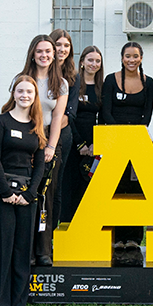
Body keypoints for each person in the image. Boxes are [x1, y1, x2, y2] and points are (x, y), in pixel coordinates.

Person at [0, 75, 47, 306]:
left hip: (26, 195)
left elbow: (40, 164)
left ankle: (19, 305)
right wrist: (6, 191)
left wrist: (30, 194)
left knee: (22, 251)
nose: (25, 95)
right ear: (13, 93)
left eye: (29, 92)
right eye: (20, 91)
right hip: (2, 193)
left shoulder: (37, 125)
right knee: (2, 251)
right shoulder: (0, 122)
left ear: (35, 96)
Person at [101, 42, 153, 252]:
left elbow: (147, 114)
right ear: (122, 58)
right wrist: (120, 136)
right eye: (127, 56)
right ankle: (117, 237)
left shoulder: (149, 82)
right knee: (115, 187)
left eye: (135, 56)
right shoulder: (110, 80)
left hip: (137, 141)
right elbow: (106, 111)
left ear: (141, 58)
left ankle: (133, 238)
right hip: (115, 141)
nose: (131, 60)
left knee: (135, 188)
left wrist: (134, 137)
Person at [21, 35, 68, 266]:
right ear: (33, 53)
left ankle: (43, 250)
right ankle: (27, 251)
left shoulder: (61, 83)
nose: (44, 55)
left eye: (48, 51)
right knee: (27, 195)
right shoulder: (22, 80)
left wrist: (51, 146)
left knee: (46, 198)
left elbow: (58, 117)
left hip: (50, 139)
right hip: (26, 139)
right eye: (40, 51)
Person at [66, 46, 103, 220]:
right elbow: (68, 115)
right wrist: (79, 143)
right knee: (71, 185)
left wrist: (96, 142)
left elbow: (103, 117)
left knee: (89, 186)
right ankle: (68, 223)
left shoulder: (102, 86)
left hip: (94, 143)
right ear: (82, 62)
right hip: (73, 140)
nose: (93, 64)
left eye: (97, 61)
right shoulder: (73, 83)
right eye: (90, 60)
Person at [50, 29, 79, 225]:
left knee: (56, 184)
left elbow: (69, 114)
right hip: (38, 134)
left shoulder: (73, 77)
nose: (62, 49)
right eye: (58, 44)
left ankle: (51, 232)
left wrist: (50, 136)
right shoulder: (38, 73)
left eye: (66, 45)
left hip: (62, 135)